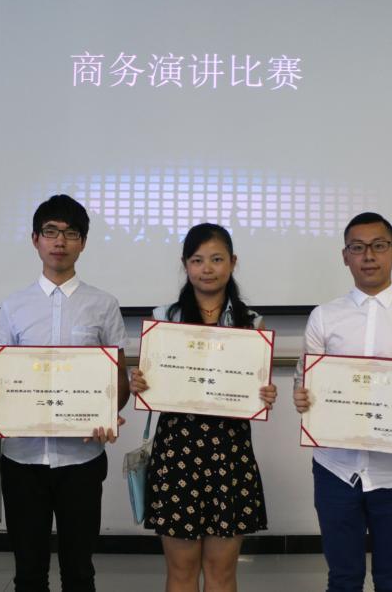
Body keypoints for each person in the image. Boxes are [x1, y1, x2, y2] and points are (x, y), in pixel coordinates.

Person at [0, 194, 129, 592]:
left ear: (83, 242)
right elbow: (0, 375)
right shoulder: (14, 306)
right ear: (35, 240)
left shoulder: (104, 305)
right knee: (29, 574)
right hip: (22, 459)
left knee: (79, 572)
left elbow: (119, 380)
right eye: (50, 232)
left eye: (70, 233)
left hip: (82, 458)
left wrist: (109, 411)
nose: (60, 241)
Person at [292, 212, 392, 592]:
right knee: (342, 578)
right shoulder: (324, 317)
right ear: (344, 256)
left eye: (378, 246)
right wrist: (303, 396)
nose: (368, 256)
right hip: (335, 469)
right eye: (357, 247)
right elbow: (305, 381)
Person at [130, 223, 277, 592]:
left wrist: (265, 394)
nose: (206, 269)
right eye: (197, 260)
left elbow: (254, 389)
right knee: (181, 572)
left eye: (216, 259)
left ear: (233, 262)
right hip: (177, 450)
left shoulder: (251, 323)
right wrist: (141, 383)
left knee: (222, 572)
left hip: (230, 451)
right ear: (185, 265)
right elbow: (153, 379)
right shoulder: (165, 318)